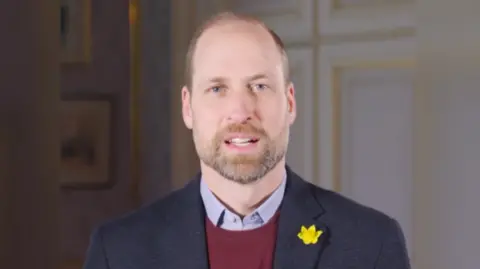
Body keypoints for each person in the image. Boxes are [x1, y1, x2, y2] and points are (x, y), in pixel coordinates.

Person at [83, 11, 411, 269]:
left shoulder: (371, 245)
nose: (240, 111)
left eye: (259, 86)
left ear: (290, 103)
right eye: (217, 89)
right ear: (188, 108)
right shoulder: (119, 252)